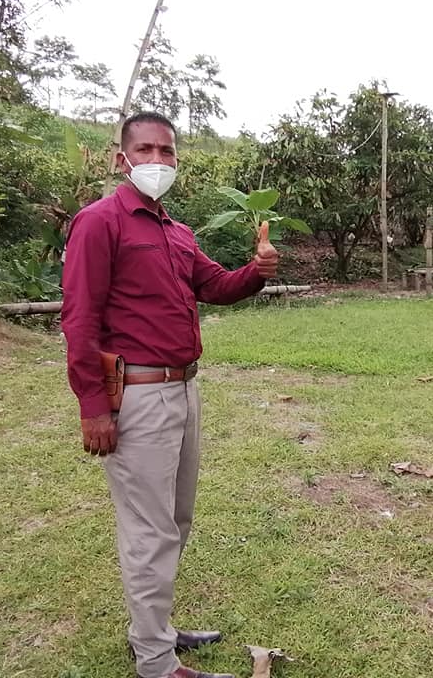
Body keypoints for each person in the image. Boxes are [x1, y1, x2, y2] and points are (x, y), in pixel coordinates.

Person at [61, 111, 279, 678]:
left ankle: (152, 631)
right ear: (122, 159)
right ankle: (156, 662)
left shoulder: (176, 232)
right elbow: (79, 319)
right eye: (146, 150)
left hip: (182, 389)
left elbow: (216, 286)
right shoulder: (99, 222)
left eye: (167, 151)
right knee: (149, 529)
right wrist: (93, 406)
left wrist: (257, 270)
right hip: (136, 395)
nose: (158, 160)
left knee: (175, 520)